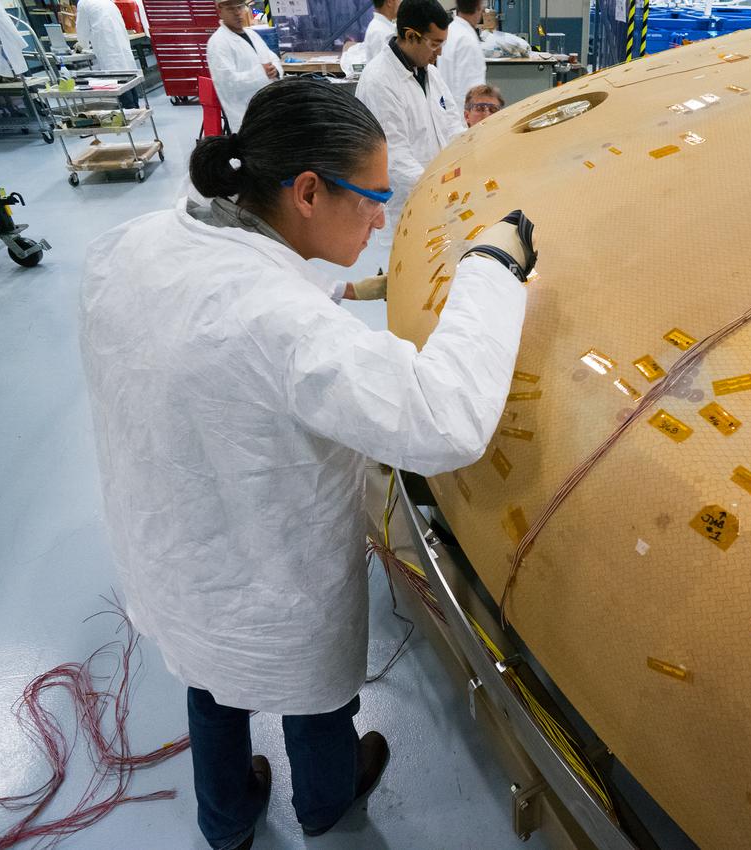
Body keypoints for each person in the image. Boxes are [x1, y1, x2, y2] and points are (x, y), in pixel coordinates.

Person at [79, 77, 538, 850]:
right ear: (306, 191)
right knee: (313, 691)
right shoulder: (279, 323)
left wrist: (344, 293)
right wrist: (492, 264)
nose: (380, 218)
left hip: (172, 545)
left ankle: (224, 820)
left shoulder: (136, 244)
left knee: (210, 681)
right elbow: (443, 416)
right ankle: (325, 801)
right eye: (370, 198)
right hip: (270, 566)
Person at [355, 0, 465, 245]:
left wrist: (468, 159)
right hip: (404, 209)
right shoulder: (379, 81)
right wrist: (442, 188)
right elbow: (394, 158)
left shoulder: (430, 73)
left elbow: (452, 125)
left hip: (439, 202)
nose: (440, 53)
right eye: (435, 44)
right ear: (410, 36)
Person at [206, 0, 283, 130]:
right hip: (245, 116)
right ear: (220, 11)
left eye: (240, 7)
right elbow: (229, 83)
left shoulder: (252, 34)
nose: (237, 13)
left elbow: (271, 57)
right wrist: (261, 73)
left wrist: (275, 69)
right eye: (231, 9)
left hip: (268, 109)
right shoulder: (218, 43)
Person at [74, 0, 140, 108]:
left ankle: (129, 108)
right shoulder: (107, 1)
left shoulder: (84, 3)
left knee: (117, 77)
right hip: (120, 41)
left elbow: (82, 28)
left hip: (107, 46)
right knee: (128, 74)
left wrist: (82, 44)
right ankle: (135, 106)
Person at [439, 0, 487, 105]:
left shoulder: (450, 31)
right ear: (479, 6)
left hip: (447, 108)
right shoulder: (467, 40)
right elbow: (472, 92)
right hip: (462, 115)